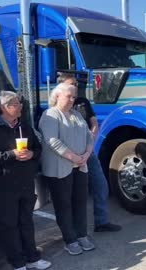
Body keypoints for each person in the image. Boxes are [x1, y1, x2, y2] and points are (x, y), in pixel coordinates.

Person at [0, 91, 51, 270]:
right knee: (9, 226)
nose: (21, 107)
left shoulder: (23, 126)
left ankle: (33, 258)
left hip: (24, 183)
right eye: (16, 104)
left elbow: (38, 148)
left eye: (19, 104)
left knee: (26, 221)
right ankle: (17, 263)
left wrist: (32, 154)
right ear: (4, 108)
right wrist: (11, 155)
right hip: (2, 186)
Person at [58, 73, 122, 233]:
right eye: (71, 84)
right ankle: (72, 230)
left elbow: (93, 122)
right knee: (72, 192)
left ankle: (102, 222)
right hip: (69, 154)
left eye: (76, 85)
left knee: (101, 184)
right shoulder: (57, 106)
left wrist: (91, 138)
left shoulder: (83, 102)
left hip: (87, 152)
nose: (76, 88)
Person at [39, 83, 95, 255]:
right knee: (63, 205)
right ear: (57, 96)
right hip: (60, 168)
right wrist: (74, 157)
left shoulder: (77, 114)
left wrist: (86, 154)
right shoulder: (50, 115)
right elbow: (52, 141)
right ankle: (70, 240)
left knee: (80, 202)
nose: (73, 99)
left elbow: (89, 136)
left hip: (80, 166)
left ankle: (82, 235)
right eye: (69, 96)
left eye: (73, 96)